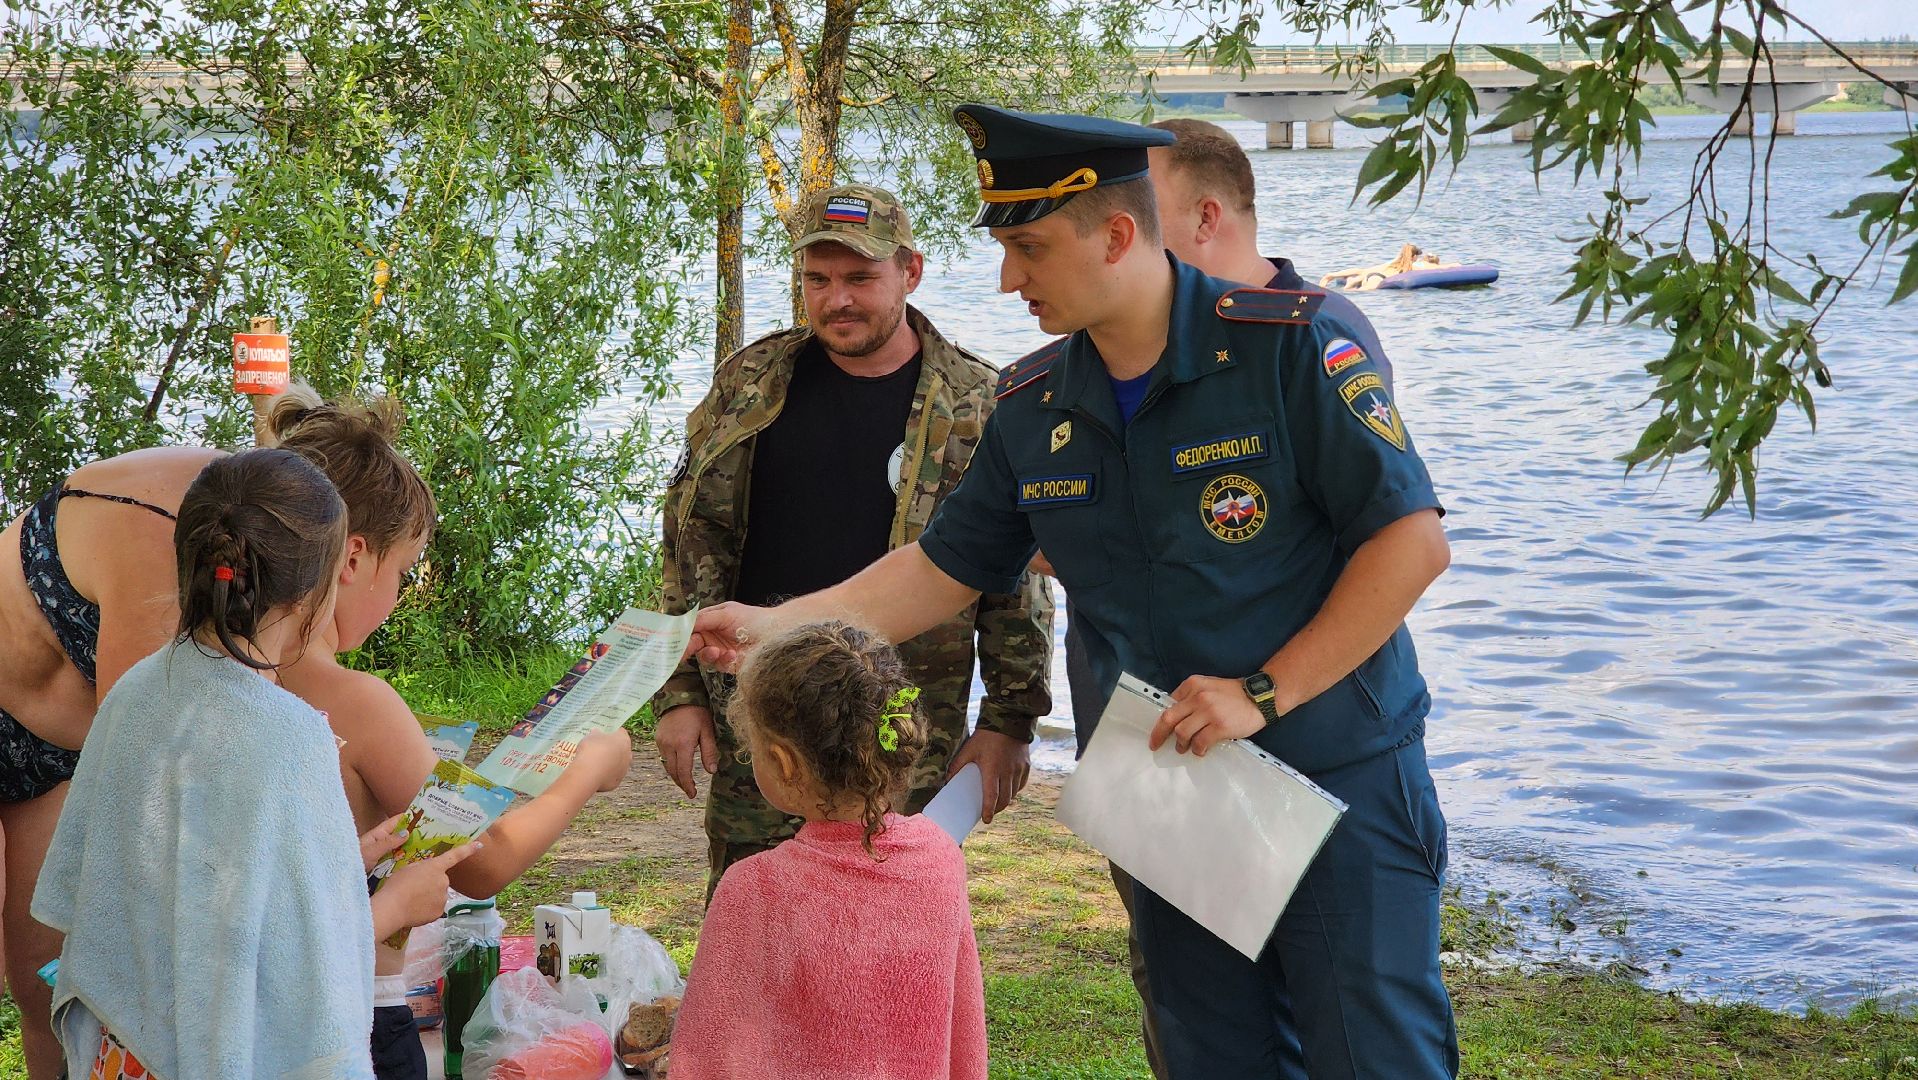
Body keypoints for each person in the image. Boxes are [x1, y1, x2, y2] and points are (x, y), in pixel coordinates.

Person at [688, 104, 1458, 1078]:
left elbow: (1409, 542)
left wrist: (1262, 693)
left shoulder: (1286, 350)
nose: (1008, 279)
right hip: (1166, 781)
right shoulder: (1032, 404)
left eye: (1030, 248)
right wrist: (771, 624)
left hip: (1329, 770)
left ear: (1119, 235)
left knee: (1368, 1054)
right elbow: (937, 571)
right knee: (1208, 1053)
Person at [652, 182, 1053, 898]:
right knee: (753, 925)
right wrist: (679, 691)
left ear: (911, 271)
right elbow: (688, 537)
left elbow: (1014, 571)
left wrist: (1010, 720)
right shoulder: (752, 382)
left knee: (889, 934)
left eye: (861, 277)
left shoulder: (978, 404)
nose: (837, 299)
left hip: (900, 731)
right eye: (818, 279)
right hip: (760, 721)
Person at [31, 449, 476, 1080]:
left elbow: (188, 885)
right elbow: (291, 963)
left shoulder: (136, 691)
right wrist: (396, 905)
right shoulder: (289, 735)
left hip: (126, 1048)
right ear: (320, 583)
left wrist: (344, 864)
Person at [264, 388, 636, 1080]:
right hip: (357, 1018)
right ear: (353, 558)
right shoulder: (357, 701)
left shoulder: (232, 677)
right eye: (402, 573)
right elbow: (483, 861)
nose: (399, 594)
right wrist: (587, 769)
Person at [669, 621, 986, 1080]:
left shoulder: (755, 888)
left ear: (783, 762)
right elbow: (964, 1022)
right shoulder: (940, 855)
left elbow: (708, 1055)